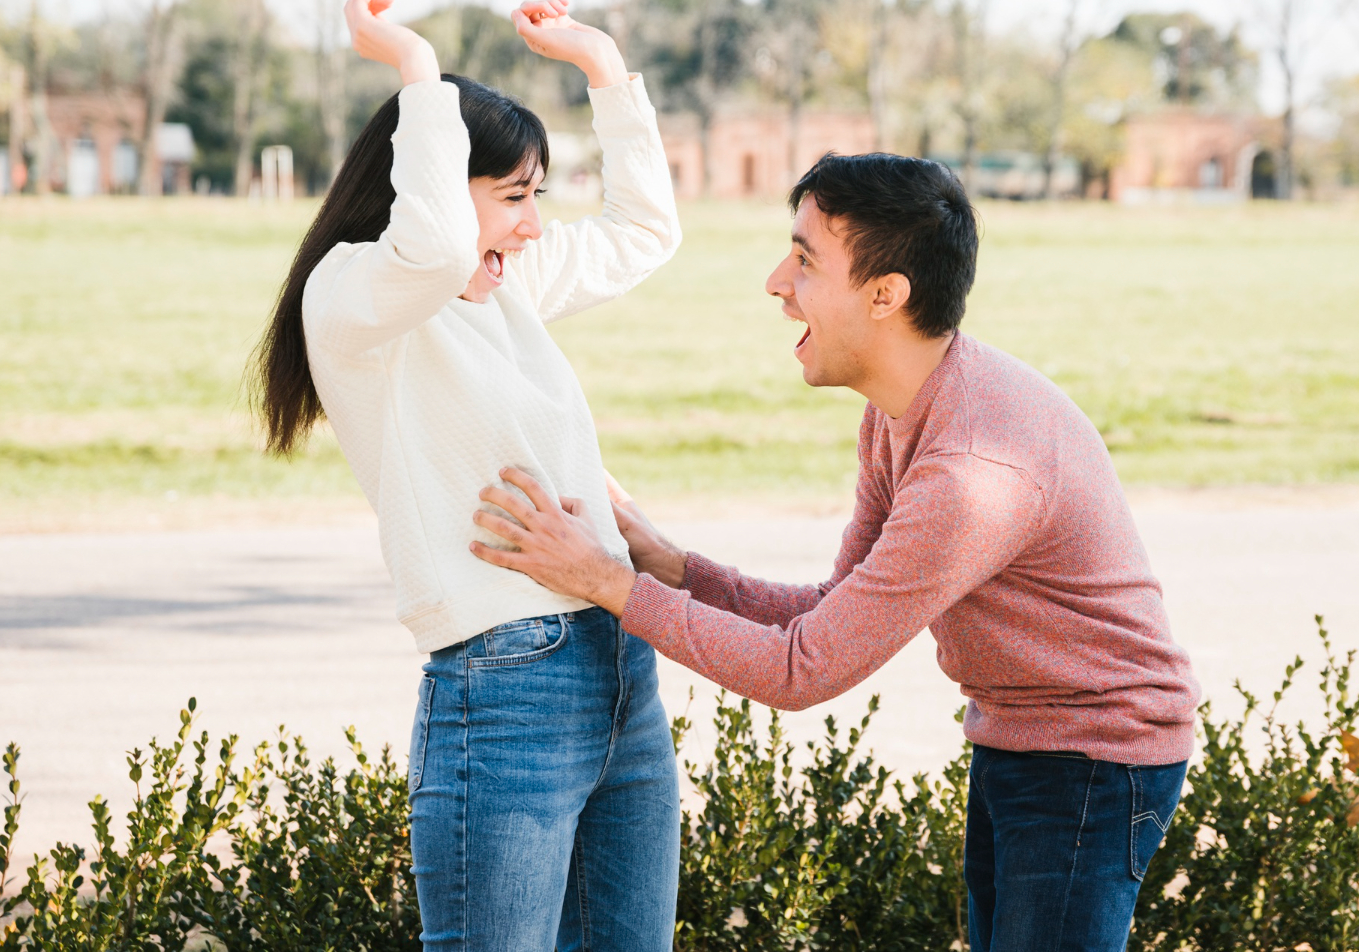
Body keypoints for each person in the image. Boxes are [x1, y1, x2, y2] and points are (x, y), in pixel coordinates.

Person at [468, 152, 1202, 951]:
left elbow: (802, 668)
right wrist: (671, 565)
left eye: (806, 259)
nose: (777, 282)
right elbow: (828, 611)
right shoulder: (904, 412)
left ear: (887, 295)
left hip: (1096, 760)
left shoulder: (969, 473)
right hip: (1023, 738)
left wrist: (607, 582)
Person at [250, 0, 682, 952]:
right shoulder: (356, 299)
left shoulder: (498, 286)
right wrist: (415, 70)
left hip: (622, 665)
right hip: (505, 685)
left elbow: (645, 235)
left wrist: (604, 66)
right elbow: (440, 240)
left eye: (538, 199)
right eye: (515, 198)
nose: (533, 228)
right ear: (439, 183)